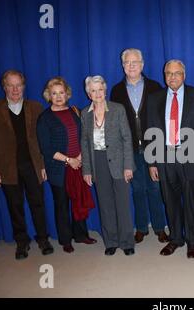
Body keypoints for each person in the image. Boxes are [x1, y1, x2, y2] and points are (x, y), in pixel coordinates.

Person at [0, 70, 54, 259]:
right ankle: (22, 242)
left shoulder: (35, 107)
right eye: (11, 85)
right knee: (15, 206)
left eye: (18, 85)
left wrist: (44, 165)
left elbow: (42, 139)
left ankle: (43, 239)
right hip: (8, 169)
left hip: (33, 165)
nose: (15, 89)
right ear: (4, 87)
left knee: (38, 204)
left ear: (24, 86)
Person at [146, 59, 194, 258]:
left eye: (177, 73)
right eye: (168, 73)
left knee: (191, 200)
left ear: (184, 75)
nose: (172, 77)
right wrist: (151, 162)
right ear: (164, 76)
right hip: (164, 157)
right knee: (170, 201)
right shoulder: (153, 99)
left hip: (190, 156)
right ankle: (176, 239)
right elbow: (150, 130)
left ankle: (193, 242)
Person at [110, 48, 168, 244]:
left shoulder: (155, 87)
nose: (132, 65)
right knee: (137, 190)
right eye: (127, 62)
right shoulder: (116, 91)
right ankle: (142, 228)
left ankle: (160, 227)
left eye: (135, 62)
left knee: (155, 189)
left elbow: (162, 119)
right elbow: (115, 122)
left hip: (153, 147)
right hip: (130, 150)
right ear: (123, 66)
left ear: (142, 65)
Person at [37, 77, 97, 254]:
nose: (58, 96)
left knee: (79, 201)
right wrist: (69, 160)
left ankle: (81, 235)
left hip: (78, 164)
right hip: (59, 169)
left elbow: (83, 137)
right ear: (48, 95)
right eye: (54, 93)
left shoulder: (74, 111)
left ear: (67, 93)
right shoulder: (45, 118)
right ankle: (65, 239)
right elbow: (46, 149)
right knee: (62, 205)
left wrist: (79, 157)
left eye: (61, 92)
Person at [80, 75, 135, 256]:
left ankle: (127, 242)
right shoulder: (84, 114)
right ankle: (111, 241)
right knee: (105, 203)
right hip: (98, 161)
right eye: (93, 90)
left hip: (119, 161)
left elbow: (127, 138)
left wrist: (128, 166)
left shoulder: (118, 109)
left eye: (100, 89)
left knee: (123, 203)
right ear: (89, 94)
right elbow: (85, 144)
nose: (97, 93)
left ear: (105, 90)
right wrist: (86, 169)